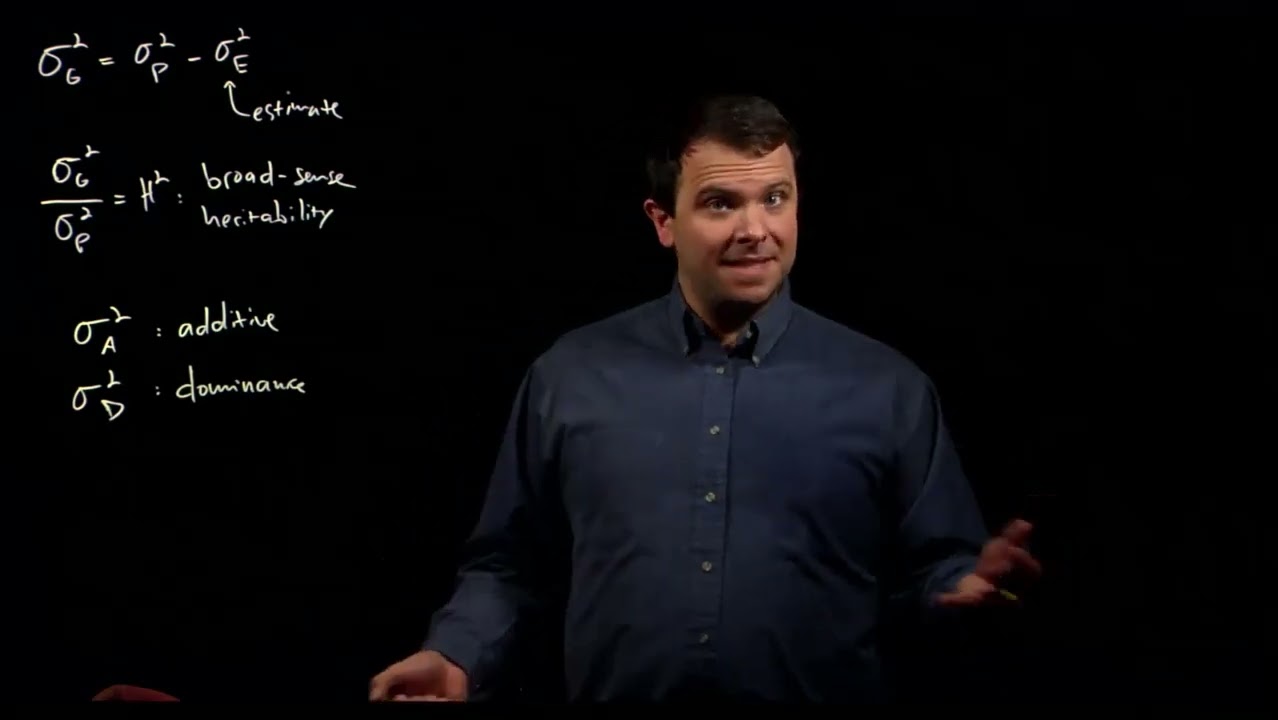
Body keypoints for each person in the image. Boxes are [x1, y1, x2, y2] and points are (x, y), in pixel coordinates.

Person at [369, 94, 1042, 703]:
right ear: (663, 221)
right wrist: (455, 656)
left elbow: (940, 570)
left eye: (775, 198)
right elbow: (509, 565)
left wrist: (974, 588)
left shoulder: (887, 387)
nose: (756, 229)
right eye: (722, 203)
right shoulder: (570, 377)